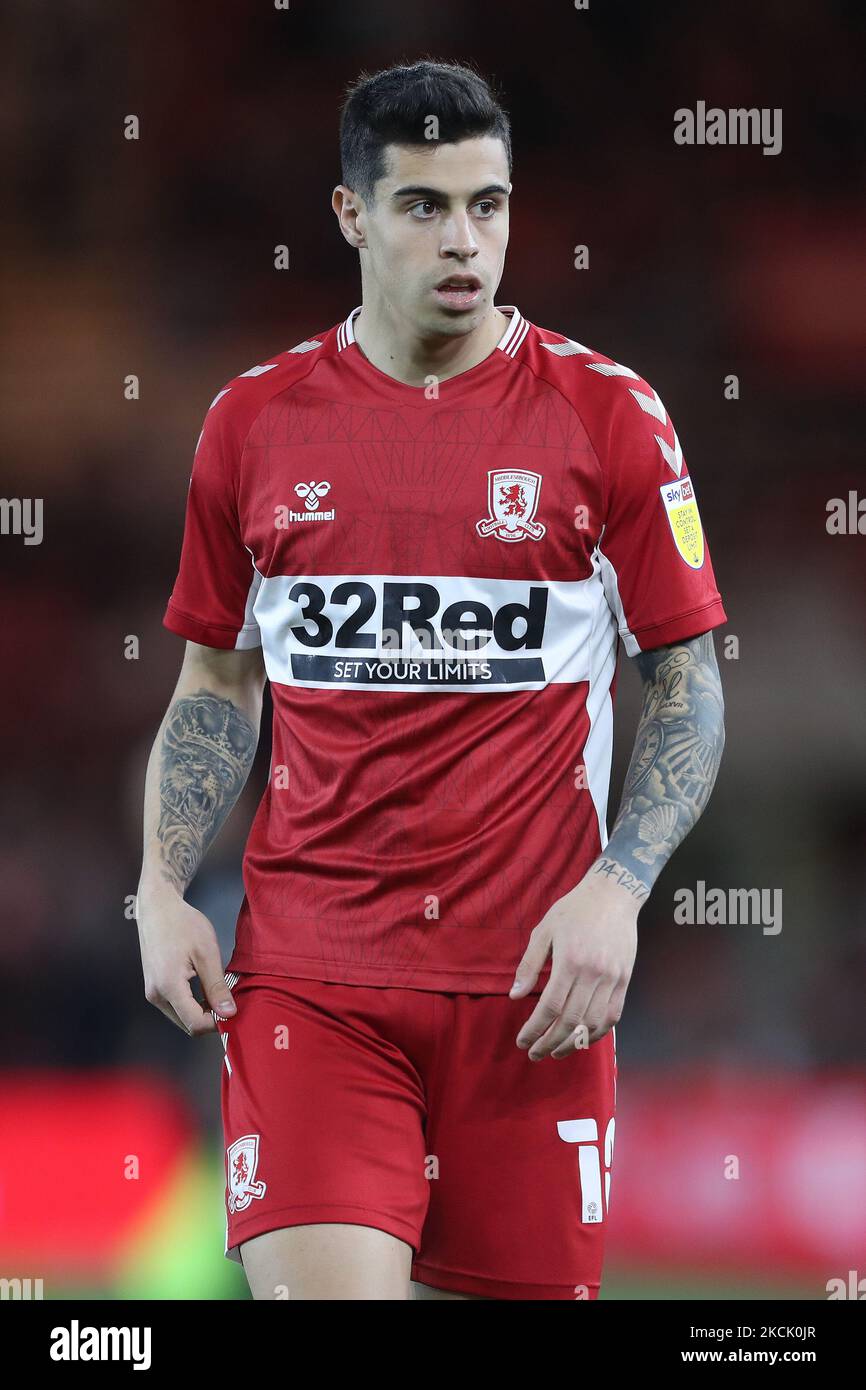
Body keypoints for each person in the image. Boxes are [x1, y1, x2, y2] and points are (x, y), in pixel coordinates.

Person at [136, 58, 726, 1301]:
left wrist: (619, 889)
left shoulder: (609, 417)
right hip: (311, 975)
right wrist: (158, 882)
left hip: (530, 994)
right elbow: (214, 682)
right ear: (350, 215)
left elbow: (687, 683)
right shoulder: (252, 423)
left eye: (489, 205)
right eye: (422, 206)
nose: (465, 241)